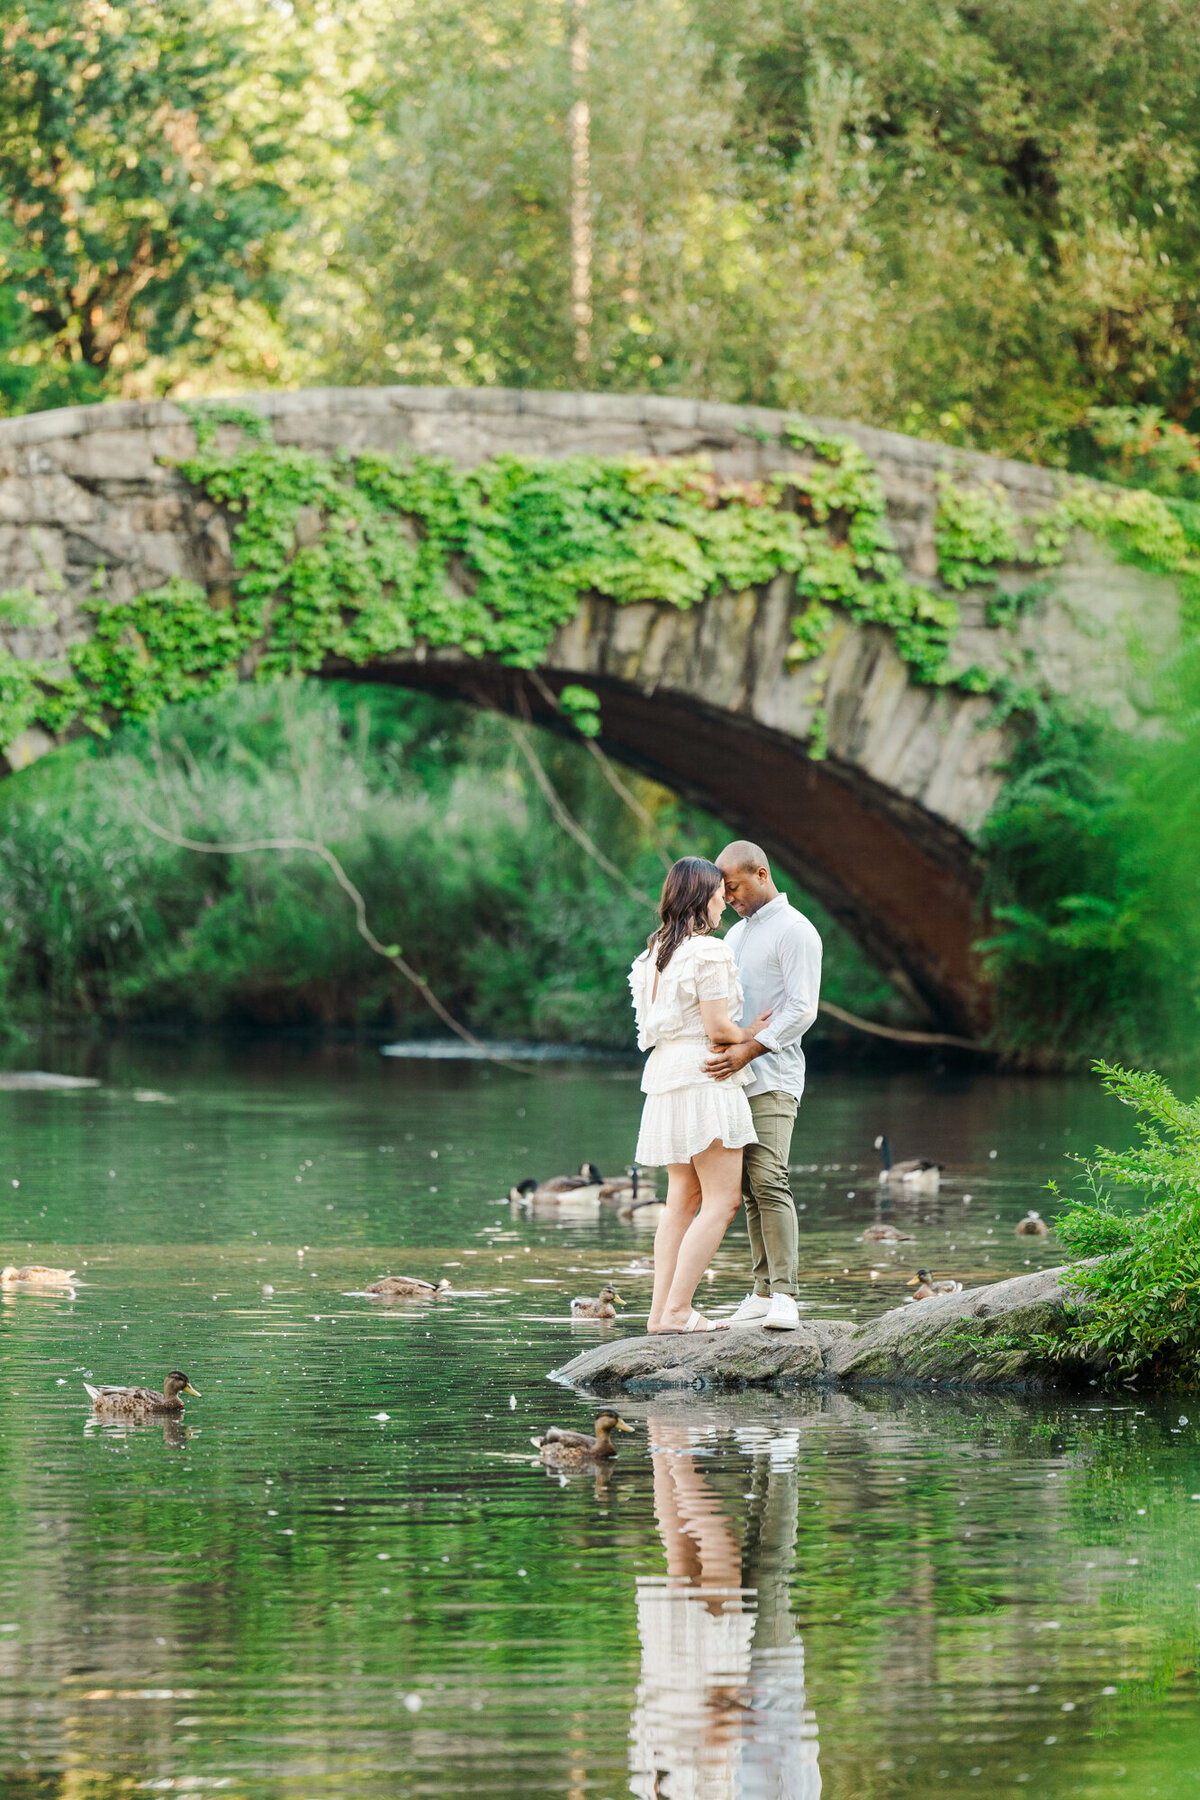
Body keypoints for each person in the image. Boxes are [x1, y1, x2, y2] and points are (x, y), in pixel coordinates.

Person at [629, 857, 770, 1335]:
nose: (724, 905)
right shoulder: (707, 952)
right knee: (723, 1200)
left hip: (667, 1074)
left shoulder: (652, 956)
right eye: (718, 894)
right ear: (700, 898)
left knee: (681, 1200)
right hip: (704, 1071)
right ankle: (677, 1310)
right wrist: (749, 1032)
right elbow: (716, 1027)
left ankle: (659, 1314)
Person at [702, 842, 822, 1331]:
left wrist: (749, 1049)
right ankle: (760, 1290)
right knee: (750, 1187)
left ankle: (787, 1296)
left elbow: (802, 1009)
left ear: (761, 873)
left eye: (732, 887)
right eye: (723, 891)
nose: (727, 897)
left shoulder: (796, 931)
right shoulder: (735, 936)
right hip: (735, 1076)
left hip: (773, 1075)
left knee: (771, 1178)